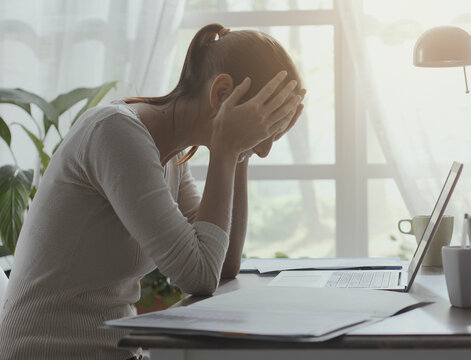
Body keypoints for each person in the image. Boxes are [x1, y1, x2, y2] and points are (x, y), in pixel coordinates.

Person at [0, 23, 305, 359]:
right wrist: (228, 148)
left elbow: (223, 265)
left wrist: (240, 153)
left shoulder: (171, 155)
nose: (265, 151)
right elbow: (199, 276)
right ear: (221, 94)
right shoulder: (115, 134)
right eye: (267, 124)